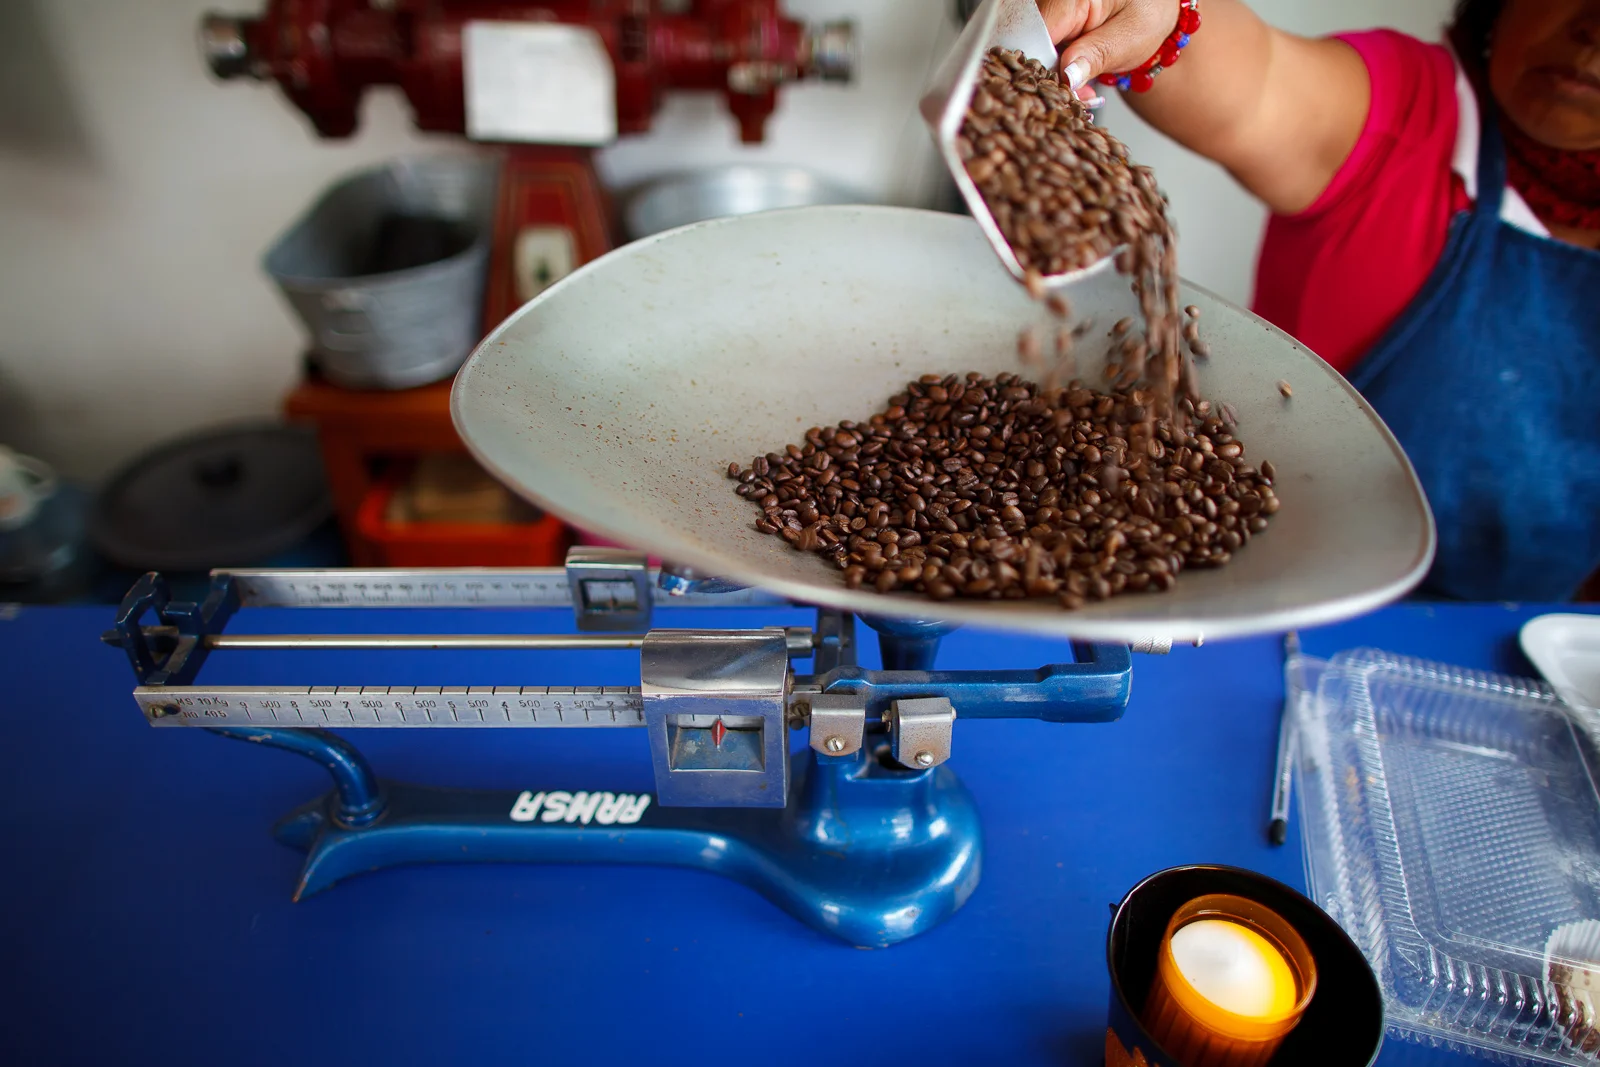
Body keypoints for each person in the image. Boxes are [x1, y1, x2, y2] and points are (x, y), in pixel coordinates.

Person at [1034, 0, 1600, 602]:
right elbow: (1254, 82)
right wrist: (1157, 11)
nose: (1591, 28)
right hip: (1264, 602)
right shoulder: (1407, 109)